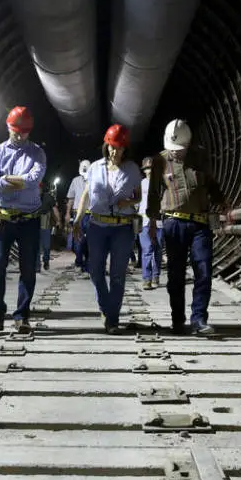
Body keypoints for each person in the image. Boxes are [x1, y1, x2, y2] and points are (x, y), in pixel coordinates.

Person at [145, 119, 231, 335]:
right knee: (175, 275)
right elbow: (154, 195)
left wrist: (224, 204)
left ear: (189, 144)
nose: (175, 153)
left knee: (203, 270)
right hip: (173, 223)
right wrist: (153, 223)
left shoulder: (200, 157)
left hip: (200, 223)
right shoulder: (159, 161)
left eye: (180, 149)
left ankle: (199, 319)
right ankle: (177, 320)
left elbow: (211, 184)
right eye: (172, 149)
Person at [73, 124, 142, 334]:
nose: (114, 151)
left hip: (122, 227)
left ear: (125, 149)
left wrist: (128, 203)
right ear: (106, 145)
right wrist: (77, 219)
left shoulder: (132, 169)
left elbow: (138, 196)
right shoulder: (95, 168)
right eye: (111, 146)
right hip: (97, 225)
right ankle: (106, 306)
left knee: (118, 275)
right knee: (95, 270)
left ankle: (112, 320)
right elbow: (86, 194)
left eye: (119, 148)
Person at [0, 106, 47, 333]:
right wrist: (17, 180)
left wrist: (6, 179)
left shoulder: (37, 153)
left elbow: (34, 179)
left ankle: (21, 316)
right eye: (16, 131)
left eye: (24, 132)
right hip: (3, 218)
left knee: (28, 268)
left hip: (29, 220)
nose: (20, 135)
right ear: (8, 128)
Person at [138, 156, 163, 290]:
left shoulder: (162, 184)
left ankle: (156, 275)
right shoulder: (140, 184)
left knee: (158, 250)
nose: (149, 171)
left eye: (151, 168)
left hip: (159, 222)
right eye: (147, 168)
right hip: (144, 221)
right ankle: (146, 279)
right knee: (147, 249)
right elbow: (135, 203)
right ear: (144, 170)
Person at [65, 160, 90, 272]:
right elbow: (71, 198)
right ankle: (79, 261)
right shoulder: (75, 181)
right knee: (76, 241)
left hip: (90, 215)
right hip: (77, 214)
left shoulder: (94, 180)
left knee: (89, 241)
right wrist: (67, 213)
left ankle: (86, 265)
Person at [37, 181, 61, 271]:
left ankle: (46, 261)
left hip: (45, 224)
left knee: (46, 246)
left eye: (39, 188)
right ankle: (37, 266)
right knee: (36, 246)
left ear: (42, 189)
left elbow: (55, 209)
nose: (38, 190)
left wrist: (58, 220)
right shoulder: (31, 196)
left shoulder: (48, 197)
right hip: (34, 222)